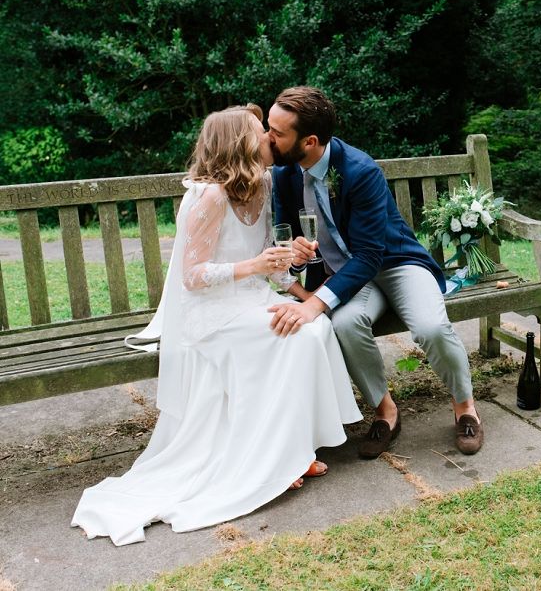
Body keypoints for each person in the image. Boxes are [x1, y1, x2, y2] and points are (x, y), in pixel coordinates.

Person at [71, 105, 361, 546]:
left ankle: (294, 447)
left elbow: (269, 259)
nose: (269, 138)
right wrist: (253, 266)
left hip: (250, 298)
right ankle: (277, 458)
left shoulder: (262, 184)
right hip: (211, 312)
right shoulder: (207, 196)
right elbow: (193, 276)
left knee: (314, 329)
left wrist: (292, 269)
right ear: (239, 144)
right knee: (293, 337)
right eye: (259, 133)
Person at [268, 86, 483, 459]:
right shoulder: (284, 173)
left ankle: (465, 407)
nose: (267, 137)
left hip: (396, 263)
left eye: (277, 132)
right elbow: (289, 240)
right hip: (346, 274)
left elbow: (369, 254)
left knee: (431, 327)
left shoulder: (359, 170)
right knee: (345, 324)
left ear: (310, 141)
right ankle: (386, 411)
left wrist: (314, 303)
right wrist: (297, 257)